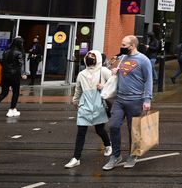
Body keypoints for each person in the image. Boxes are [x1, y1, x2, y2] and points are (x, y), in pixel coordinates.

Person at [102, 35, 153, 171]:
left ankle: (133, 155)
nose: (122, 47)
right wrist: (115, 72)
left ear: (133, 46)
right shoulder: (123, 58)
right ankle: (116, 156)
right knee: (113, 126)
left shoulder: (143, 60)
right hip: (120, 99)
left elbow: (149, 80)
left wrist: (147, 99)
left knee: (134, 130)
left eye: (124, 45)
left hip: (136, 100)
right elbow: (122, 75)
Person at [65, 50, 113, 168]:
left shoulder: (104, 71)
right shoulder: (82, 74)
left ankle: (108, 144)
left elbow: (114, 84)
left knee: (99, 130)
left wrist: (104, 87)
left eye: (92, 56)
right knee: (81, 132)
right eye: (88, 56)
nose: (89, 58)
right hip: (85, 105)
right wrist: (75, 101)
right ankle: (76, 157)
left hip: (99, 104)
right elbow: (78, 89)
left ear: (98, 58)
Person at [0, 37, 27, 118]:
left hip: (5, 74)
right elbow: (21, 64)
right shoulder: (19, 53)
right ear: (19, 44)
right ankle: (11, 109)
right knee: (16, 92)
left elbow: (3, 63)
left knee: (4, 92)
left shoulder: (6, 51)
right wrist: (23, 73)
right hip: (14, 75)